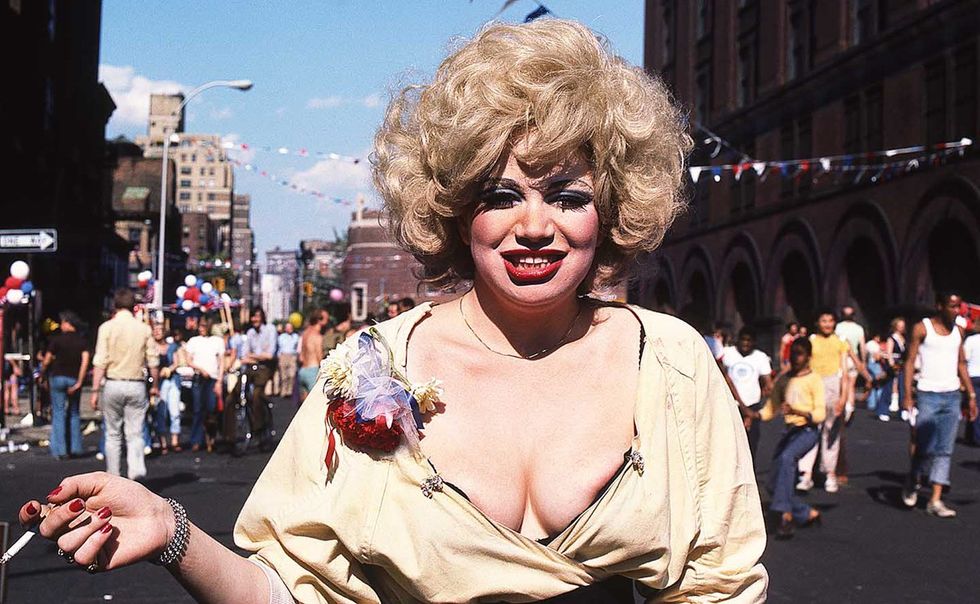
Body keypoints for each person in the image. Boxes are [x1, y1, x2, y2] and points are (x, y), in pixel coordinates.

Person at [19, 20, 766, 601]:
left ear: (611, 211)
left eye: (568, 197)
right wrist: (172, 532)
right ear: (455, 211)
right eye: (500, 195)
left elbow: (722, 585)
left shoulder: (669, 363)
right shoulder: (374, 366)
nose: (535, 226)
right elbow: (291, 593)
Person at [901, 292, 978, 517]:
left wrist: (971, 395)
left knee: (945, 449)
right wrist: (908, 395)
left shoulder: (959, 331)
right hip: (927, 394)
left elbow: (961, 363)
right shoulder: (922, 328)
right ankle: (913, 479)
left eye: (958, 307)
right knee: (924, 446)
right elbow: (909, 362)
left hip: (952, 395)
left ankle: (935, 500)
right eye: (952, 306)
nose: (956, 311)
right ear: (940, 306)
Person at [797, 308, 871, 493]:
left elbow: (844, 372)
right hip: (813, 385)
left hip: (833, 386)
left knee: (831, 432)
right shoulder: (811, 341)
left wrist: (843, 398)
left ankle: (830, 473)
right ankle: (806, 473)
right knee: (810, 429)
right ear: (817, 323)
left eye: (830, 321)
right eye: (824, 320)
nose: (827, 324)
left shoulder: (840, 342)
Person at [89, 289, 159, 480]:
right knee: (135, 433)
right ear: (133, 306)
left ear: (115, 305)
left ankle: (114, 476)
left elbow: (100, 362)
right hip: (136, 384)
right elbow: (153, 361)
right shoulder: (143, 329)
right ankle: (135, 474)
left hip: (113, 383)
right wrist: (155, 385)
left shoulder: (106, 328)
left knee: (112, 434)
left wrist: (94, 390)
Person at [760, 337, 825, 539]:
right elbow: (770, 409)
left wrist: (798, 411)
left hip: (807, 431)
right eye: (793, 354)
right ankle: (806, 513)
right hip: (790, 432)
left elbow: (820, 413)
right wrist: (751, 415)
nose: (796, 358)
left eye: (800, 354)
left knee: (787, 458)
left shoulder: (814, 379)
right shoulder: (784, 380)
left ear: (808, 356)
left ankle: (785, 516)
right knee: (773, 483)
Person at [38, 311, 90, 459]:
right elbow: (85, 362)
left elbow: (47, 360)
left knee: (58, 413)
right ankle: (75, 447)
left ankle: (60, 450)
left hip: (58, 376)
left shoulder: (57, 340)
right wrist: (80, 381)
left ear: (68, 323)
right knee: (74, 413)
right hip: (74, 378)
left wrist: (42, 373)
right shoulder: (82, 341)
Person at [721, 328, 773, 460]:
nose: (745, 343)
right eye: (743, 339)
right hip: (731, 405)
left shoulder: (760, 357)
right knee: (729, 445)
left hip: (752, 406)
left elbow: (768, 382)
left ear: (754, 342)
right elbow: (724, 377)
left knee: (750, 445)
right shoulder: (727, 353)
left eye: (749, 340)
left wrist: (768, 391)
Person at [185, 317, 225, 453]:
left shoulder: (217, 341)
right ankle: (196, 440)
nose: (201, 328)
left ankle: (211, 438)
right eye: (200, 326)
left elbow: (221, 362)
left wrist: (219, 380)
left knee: (211, 409)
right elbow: (188, 360)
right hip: (199, 378)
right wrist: (201, 369)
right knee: (198, 409)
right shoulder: (193, 341)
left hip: (212, 379)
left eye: (204, 326)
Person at [240, 306, 277, 450]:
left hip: (265, 368)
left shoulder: (270, 329)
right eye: (253, 316)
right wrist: (258, 356)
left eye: (257, 316)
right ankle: (229, 436)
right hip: (251, 368)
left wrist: (253, 356)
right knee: (234, 395)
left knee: (257, 395)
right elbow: (244, 356)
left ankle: (259, 429)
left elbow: (270, 355)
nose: (254, 319)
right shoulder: (250, 333)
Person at [153, 324, 184, 454]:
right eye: (155, 330)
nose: (157, 332)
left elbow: (177, 362)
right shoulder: (151, 348)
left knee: (174, 411)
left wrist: (169, 369)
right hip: (159, 383)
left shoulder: (172, 346)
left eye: (159, 330)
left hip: (172, 380)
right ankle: (163, 442)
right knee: (161, 411)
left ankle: (175, 440)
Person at [297, 308, 328, 400]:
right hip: (313, 371)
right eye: (326, 318)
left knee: (304, 406)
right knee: (316, 403)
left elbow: (301, 357)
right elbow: (320, 358)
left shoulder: (305, 333)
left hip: (302, 370)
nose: (328, 320)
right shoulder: (317, 336)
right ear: (319, 320)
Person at [964, 323, 980, 446]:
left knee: (972, 404)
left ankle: (974, 435)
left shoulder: (971, 340)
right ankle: (972, 434)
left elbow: (965, 358)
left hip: (972, 375)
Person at [275, 322, 300, 398]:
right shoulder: (281, 337)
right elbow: (279, 347)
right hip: (283, 356)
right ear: (285, 329)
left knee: (292, 375)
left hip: (292, 356)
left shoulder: (296, 336)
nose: (289, 329)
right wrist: (279, 357)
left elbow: (298, 347)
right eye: (288, 327)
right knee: (283, 375)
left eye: (290, 327)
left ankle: (289, 391)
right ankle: (283, 391)